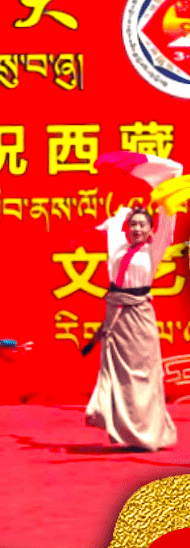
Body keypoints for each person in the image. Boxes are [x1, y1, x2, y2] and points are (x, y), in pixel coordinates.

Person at [85, 163, 181, 451]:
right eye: (134, 225)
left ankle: (149, 433)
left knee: (143, 375)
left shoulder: (153, 251)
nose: (137, 229)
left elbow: (167, 226)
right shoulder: (118, 249)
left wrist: (165, 193)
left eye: (142, 225)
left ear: (150, 229)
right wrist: (122, 214)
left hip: (140, 318)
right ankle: (125, 431)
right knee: (121, 377)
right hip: (117, 319)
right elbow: (114, 228)